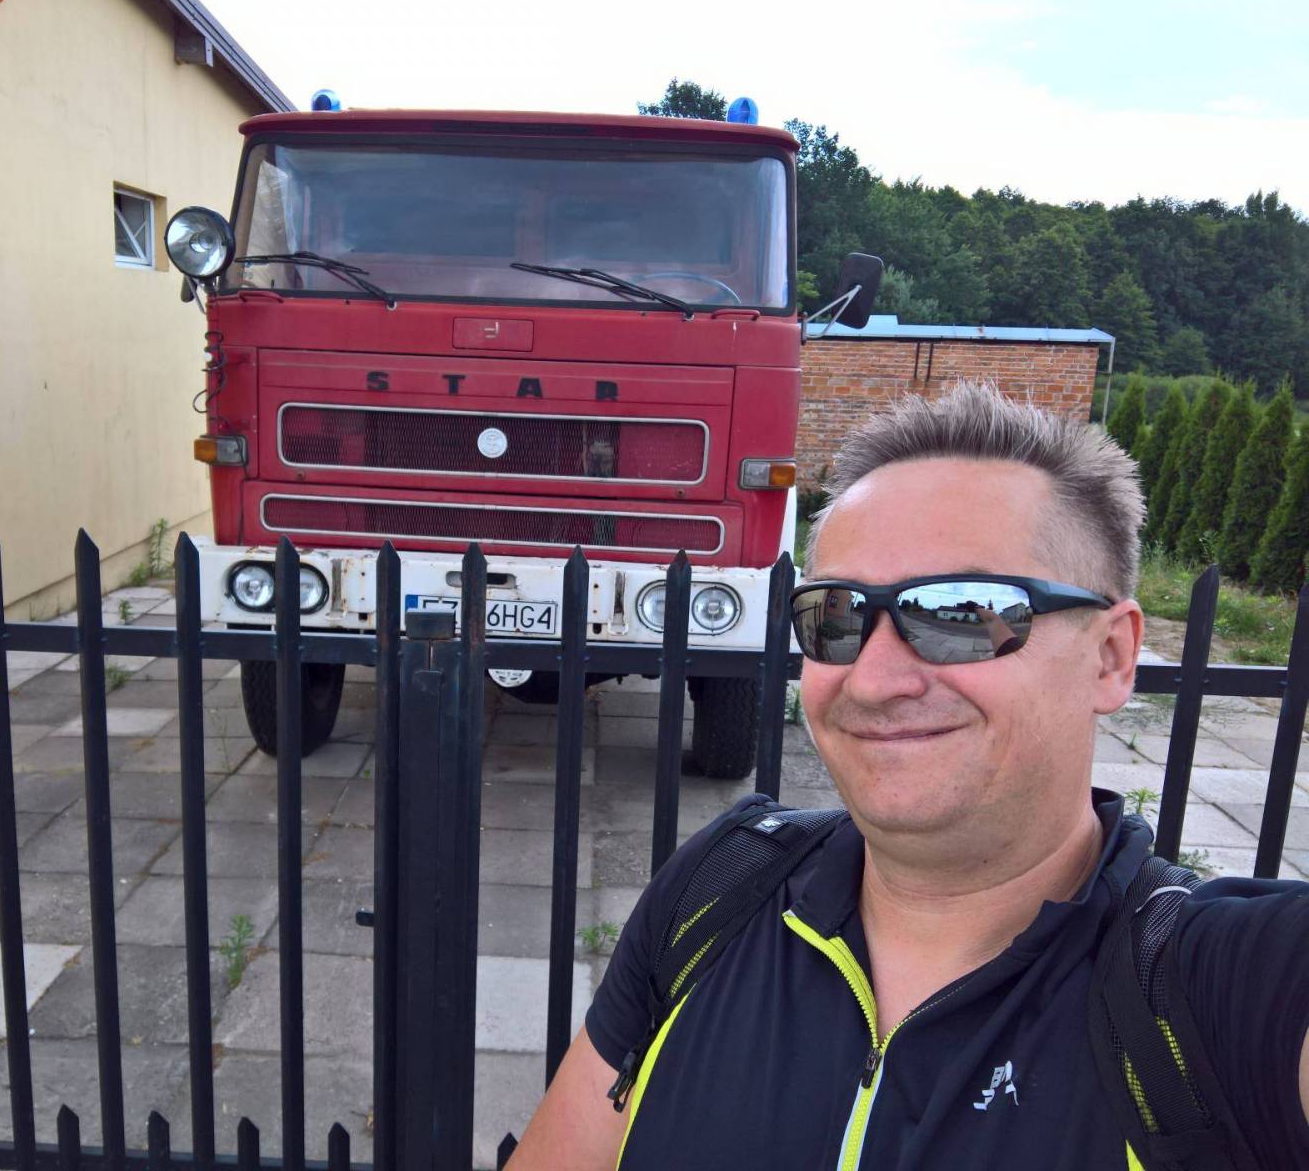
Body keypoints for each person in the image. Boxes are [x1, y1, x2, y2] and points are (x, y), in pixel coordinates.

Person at [508, 383, 1309, 1169]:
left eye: (961, 612)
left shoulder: (1216, 995)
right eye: (837, 616)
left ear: (1111, 656)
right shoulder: (720, 889)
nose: (874, 680)